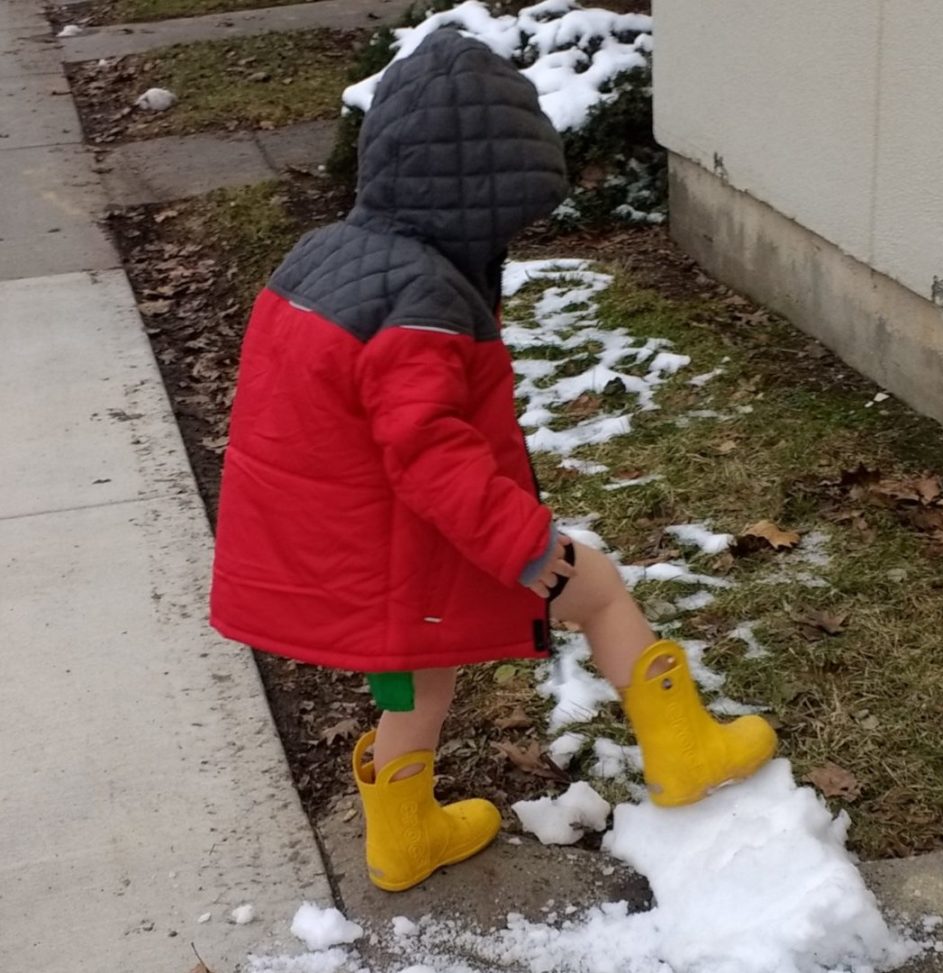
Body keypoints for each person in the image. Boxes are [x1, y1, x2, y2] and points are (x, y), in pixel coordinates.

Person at [210, 29, 777, 894]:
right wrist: (524, 542)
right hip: (419, 547)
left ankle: (402, 838)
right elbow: (428, 451)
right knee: (601, 588)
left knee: (419, 686)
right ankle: (686, 749)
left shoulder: (318, 256)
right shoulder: (424, 295)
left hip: (348, 552)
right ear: (478, 196)